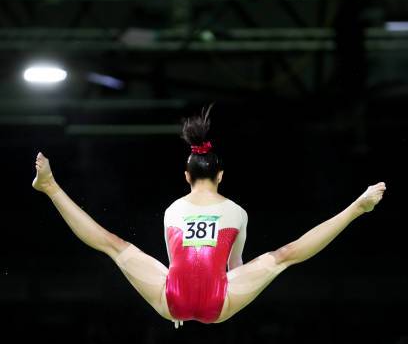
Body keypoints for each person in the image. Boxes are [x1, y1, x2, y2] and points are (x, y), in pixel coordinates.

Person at [33, 106, 386, 327]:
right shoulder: (236, 212)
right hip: (220, 302)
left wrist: (173, 307)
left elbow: (177, 267)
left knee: (113, 245)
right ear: (220, 175)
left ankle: (51, 188)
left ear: (186, 176)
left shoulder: (174, 210)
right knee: (285, 256)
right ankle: (357, 207)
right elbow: (234, 266)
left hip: (172, 297)